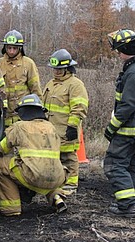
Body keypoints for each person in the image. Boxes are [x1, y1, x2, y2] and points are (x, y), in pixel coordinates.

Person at [0, 94, 68, 216]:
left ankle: (11, 208)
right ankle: (56, 197)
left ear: (23, 111)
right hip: (58, 177)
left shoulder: (20, 127)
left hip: (34, 176)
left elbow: (1, 148)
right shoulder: (51, 127)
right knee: (46, 168)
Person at [104, 29, 135, 217]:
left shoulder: (134, 71)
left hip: (128, 130)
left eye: (118, 50)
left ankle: (127, 206)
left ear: (123, 48)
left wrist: (111, 127)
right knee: (131, 165)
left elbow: (128, 104)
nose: (117, 54)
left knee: (114, 165)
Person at [43, 49, 89, 192]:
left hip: (65, 128)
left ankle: (71, 184)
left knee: (68, 157)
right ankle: (57, 182)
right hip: (51, 129)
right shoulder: (51, 84)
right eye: (55, 69)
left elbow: (79, 107)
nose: (56, 72)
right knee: (53, 157)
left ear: (67, 68)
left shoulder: (75, 84)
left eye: (60, 69)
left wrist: (72, 126)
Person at [0, 30, 42, 127]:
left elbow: (36, 89)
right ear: (5, 47)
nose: (11, 51)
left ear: (20, 48)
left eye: (14, 48)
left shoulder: (28, 64)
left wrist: (38, 112)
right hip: (3, 116)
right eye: (9, 48)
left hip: (23, 116)